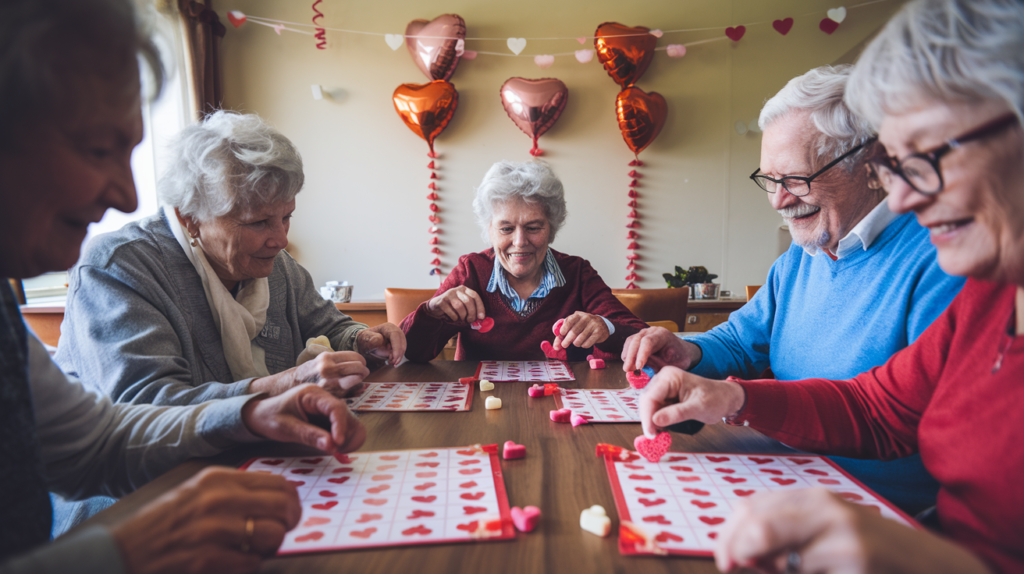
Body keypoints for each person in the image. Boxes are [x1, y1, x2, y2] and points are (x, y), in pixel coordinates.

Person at [639, 0, 1024, 571]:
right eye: (900, 166)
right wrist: (734, 396)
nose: (909, 197)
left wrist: (919, 556)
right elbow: (879, 409)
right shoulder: (993, 298)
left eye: (928, 159)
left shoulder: (959, 264)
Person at [0, 1, 366, 572]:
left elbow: (95, 441)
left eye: (285, 217)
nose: (125, 193)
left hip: (231, 485)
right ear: (192, 216)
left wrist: (252, 413)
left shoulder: (282, 269)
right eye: (98, 149)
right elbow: (138, 411)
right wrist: (271, 390)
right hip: (138, 509)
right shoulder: (119, 264)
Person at [621, 65, 965, 513]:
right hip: (781, 477)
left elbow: (895, 417)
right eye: (769, 180)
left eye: (796, 178)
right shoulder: (800, 259)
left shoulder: (944, 259)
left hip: (883, 515)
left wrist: (740, 400)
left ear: (871, 164)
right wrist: (689, 353)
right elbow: (741, 340)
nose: (778, 200)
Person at [401, 160, 647, 362]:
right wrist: (432, 313)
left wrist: (606, 327)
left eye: (533, 227)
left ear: (551, 228)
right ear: (490, 231)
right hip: (479, 405)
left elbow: (640, 335)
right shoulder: (471, 271)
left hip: (561, 403)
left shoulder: (578, 273)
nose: (520, 241)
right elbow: (410, 351)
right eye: (506, 228)